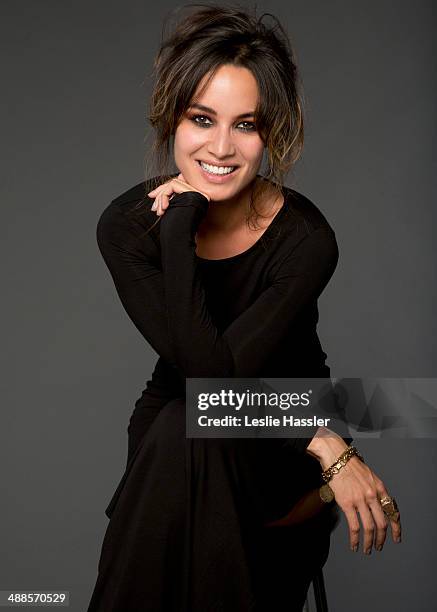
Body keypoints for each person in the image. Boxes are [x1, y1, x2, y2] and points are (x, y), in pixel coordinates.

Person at [87, 5, 402, 611]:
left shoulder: (306, 239)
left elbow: (217, 386)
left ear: (271, 134)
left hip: (277, 430)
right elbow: (205, 379)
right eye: (201, 119)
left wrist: (313, 433)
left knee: (186, 424)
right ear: (172, 121)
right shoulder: (127, 228)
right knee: (183, 424)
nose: (221, 147)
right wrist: (181, 224)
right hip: (187, 426)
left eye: (246, 125)